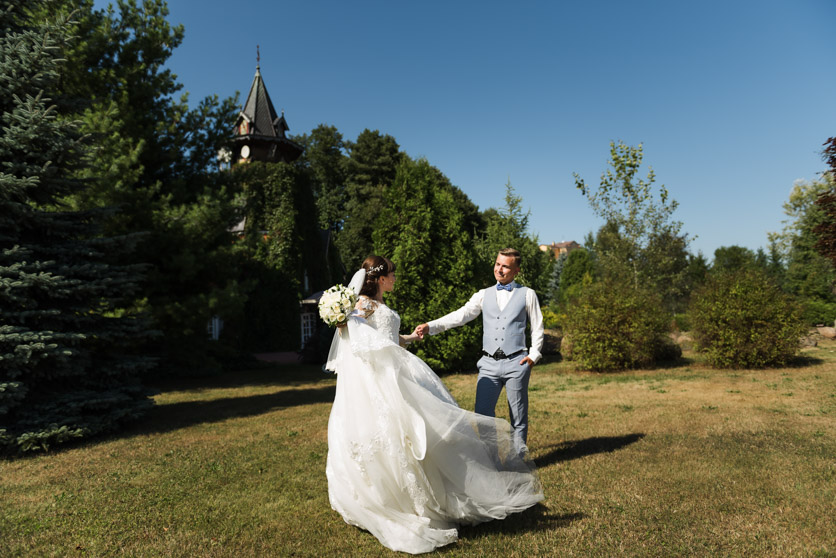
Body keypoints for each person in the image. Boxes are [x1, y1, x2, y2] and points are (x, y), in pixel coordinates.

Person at [325, 255, 543, 555]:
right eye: (392, 272)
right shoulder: (363, 305)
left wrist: (409, 337)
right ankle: (397, 499)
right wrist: (343, 320)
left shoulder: (378, 305)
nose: (395, 276)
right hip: (382, 378)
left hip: (400, 369)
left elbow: (386, 336)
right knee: (400, 433)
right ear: (380, 277)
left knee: (425, 430)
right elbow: (355, 337)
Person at [416, 248, 544, 448]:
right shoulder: (483, 295)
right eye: (497, 264)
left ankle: (519, 463)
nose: (499, 270)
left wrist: (533, 356)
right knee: (482, 415)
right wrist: (431, 326)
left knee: (518, 416)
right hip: (488, 364)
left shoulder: (528, 294)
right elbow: (461, 315)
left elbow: (537, 326)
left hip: (516, 362)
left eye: (505, 266)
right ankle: (491, 462)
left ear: (516, 270)